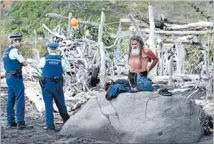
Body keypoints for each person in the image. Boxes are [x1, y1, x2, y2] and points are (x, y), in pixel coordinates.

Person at [3, 34, 34, 130]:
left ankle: (10, 121)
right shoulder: (15, 51)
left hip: (8, 77)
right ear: (14, 41)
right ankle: (21, 122)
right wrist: (27, 61)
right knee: (20, 99)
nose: (20, 43)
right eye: (19, 41)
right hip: (16, 77)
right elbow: (24, 63)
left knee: (10, 100)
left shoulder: (5, 52)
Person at [38, 42, 71, 131]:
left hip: (47, 84)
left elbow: (40, 67)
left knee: (48, 105)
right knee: (61, 104)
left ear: (48, 49)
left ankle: (50, 126)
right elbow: (67, 69)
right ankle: (67, 122)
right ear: (57, 49)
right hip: (57, 84)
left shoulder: (44, 59)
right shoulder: (61, 59)